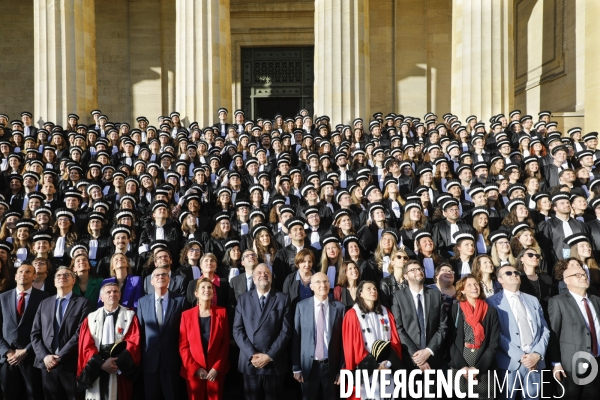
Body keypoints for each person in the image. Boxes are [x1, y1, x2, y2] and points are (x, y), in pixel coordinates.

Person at [487, 265, 550, 400]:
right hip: (510, 363)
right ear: (500, 280)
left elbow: (544, 329)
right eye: (508, 273)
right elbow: (495, 333)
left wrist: (537, 354)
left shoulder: (532, 299)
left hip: (535, 362)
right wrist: (521, 356)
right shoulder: (492, 302)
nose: (514, 274)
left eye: (516, 272)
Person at [30, 266, 92, 400]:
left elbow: (80, 333)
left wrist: (59, 357)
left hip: (70, 363)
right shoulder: (44, 303)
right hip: (46, 365)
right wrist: (45, 357)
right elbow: (35, 334)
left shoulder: (83, 303)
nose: (62, 277)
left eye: (66, 275)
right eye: (58, 275)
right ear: (54, 282)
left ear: (74, 280)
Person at [232, 263, 292, 400]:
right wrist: (252, 354)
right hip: (250, 362)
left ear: (271, 277)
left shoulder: (283, 298)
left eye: (267, 273)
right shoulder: (243, 299)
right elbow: (237, 330)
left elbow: (286, 331)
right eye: (259, 273)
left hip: (274, 361)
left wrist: (269, 355)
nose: (263, 275)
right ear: (253, 279)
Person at [76, 282, 142, 399]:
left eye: (115, 291)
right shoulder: (91, 318)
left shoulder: (130, 316)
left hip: (119, 369)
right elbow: (86, 346)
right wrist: (101, 364)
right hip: (97, 369)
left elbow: (133, 343)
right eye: (108, 292)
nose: (112, 294)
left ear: (120, 295)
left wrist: (115, 363)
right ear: (101, 297)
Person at [341, 280, 402, 399]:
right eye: (368, 289)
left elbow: (394, 340)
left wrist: (388, 363)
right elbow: (354, 348)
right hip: (366, 369)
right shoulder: (352, 315)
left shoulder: (385, 312)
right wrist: (374, 366)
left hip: (386, 368)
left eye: (374, 289)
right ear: (360, 293)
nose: (373, 291)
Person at [548, 260, 600, 399]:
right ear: (566, 280)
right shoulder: (558, 301)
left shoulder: (596, 300)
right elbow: (553, 334)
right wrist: (556, 363)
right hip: (570, 365)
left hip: (596, 361)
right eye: (577, 275)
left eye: (584, 275)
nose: (583, 277)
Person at [390, 259, 448, 382]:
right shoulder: (398, 296)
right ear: (405, 276)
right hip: (409, 361)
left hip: (433, 359)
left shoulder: (436, 295)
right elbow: (398, 328)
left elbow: (443, 326)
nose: (418, 271)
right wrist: (417, 357)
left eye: (420, 269)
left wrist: (428, 351)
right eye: (413, 270)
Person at [292, 272, 346, 400]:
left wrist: (342, 369)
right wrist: (296, 368)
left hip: (331, 366)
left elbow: (344, 342)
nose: (323, 285)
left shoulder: (340, 307)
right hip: (308, 367)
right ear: (311, 286)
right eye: (318, 282)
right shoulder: (301, 306)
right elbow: (296, 338)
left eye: (326, 281)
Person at [0, 263, 50, 400]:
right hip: (7, 359)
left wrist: (26, 350)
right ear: (15, 276)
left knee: (33, 395)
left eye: (28, 272)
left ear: (34, 276)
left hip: (32, 358)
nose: (24, 274)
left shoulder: (44, 298)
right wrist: (7, 351)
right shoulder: (2, 297)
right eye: (21, 271)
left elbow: (46, 329)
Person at [137, 266, 186, 400]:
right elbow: (140, 333)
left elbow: (185, 332)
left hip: (172, 362)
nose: (160, 277)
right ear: (151, 281)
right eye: (157, 275)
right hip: (150, 363)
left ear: (169, 279)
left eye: (164, 275)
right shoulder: (142, 302)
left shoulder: (181, 300)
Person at [447, 275, 499, 399]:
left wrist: (478, 368)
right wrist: (462, 366)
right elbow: (449, 340)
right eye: (469, 285)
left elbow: (493, 342)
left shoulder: (490, 311)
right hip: (461, 359)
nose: (474, 287)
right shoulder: (456, 309)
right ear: (462, 290)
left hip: (483, 361)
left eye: (476, 284)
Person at [179, 277, 230, 400]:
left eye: (210, 288)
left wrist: (216, 368)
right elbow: (183, 346)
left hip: (215, 371)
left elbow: (225, 343)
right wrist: (195, 369)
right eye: (203, 287)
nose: (207, 290)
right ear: (196, 293)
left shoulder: (222, 313)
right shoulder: (186, 315)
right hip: (194, 372)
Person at [282, 249, 315, 315]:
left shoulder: (317, 278)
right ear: (298, 263)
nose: (307, 264)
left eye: (309, 261)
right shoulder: (290, 279)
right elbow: (284, 301)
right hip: (296, 316)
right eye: (303, 262)